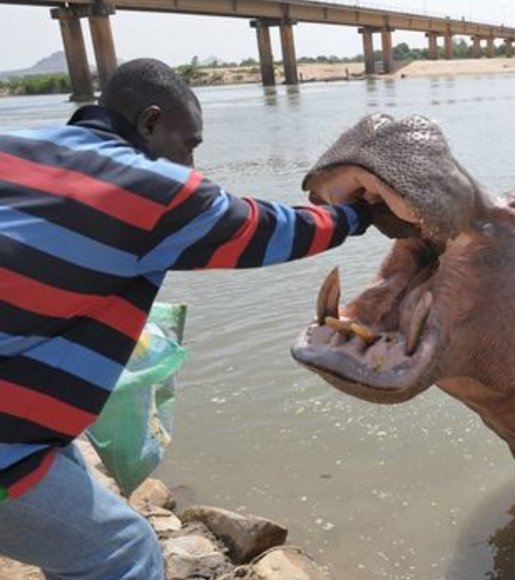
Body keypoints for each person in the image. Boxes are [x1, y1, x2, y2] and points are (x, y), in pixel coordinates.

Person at [0, 58, 380, 578]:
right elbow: (262, 228)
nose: (193, 164)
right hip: (7, 445)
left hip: (25, 427)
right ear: (150, 122)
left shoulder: (14, 147)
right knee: (122, 549)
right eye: (190, 144)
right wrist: (357, 215)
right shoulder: (146, 188)